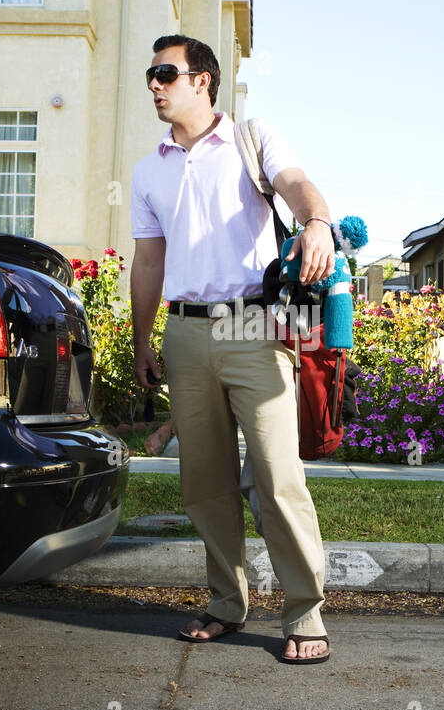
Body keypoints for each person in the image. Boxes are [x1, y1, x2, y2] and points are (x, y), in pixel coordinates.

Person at [129, 34, 335, 664]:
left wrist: (317, 222)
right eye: (151, 75)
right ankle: (226, 602)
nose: (156, 85)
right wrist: (141, 339)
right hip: (185, 329)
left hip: (252, 324)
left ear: (204, 81)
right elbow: (147, 260)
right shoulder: (149, 169)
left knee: (277, 475)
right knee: (205, 483)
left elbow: (297, 183)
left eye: (167, 73)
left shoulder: (252, 137)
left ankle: (305, 612)